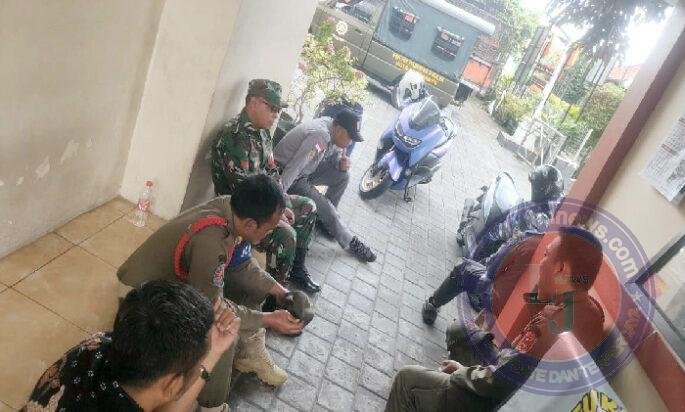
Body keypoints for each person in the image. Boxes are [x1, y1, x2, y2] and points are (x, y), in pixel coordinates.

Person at [117, 175, 309, 411]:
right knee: (222, 330)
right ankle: (212, 406)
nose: (269, 235)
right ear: (251, 224)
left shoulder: (231, 208)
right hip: (141, 299)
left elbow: (241, 264)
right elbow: (212, 308)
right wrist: (268, 319)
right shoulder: (213, 240)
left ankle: (250, 351)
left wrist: (280, 292)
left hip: (166, 286)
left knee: (247, 292)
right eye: (269, 229)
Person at [386, 226, 607, 411]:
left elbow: (500, 382)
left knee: (407, 379)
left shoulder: (552, 324)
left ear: (561, 269)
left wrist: (461, 372)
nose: (541, 262)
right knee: (461, 332)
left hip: (499, 401)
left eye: (546, 256)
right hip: (518, 391)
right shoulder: (591, 312)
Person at [23, 280, 240, 412]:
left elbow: (165, 392)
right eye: (199, 368)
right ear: (172, 385)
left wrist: (213, 351)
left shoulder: (96, 345)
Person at [211, 78, 320, 294]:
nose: (276, 114)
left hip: (265, 202)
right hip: (241, 213)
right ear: (253, 102)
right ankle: (274, 297)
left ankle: (295, 270)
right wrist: (276, 213)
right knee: (286, 236)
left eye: (278, 109)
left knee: (308, 207)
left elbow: (272, 172)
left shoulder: (262, 133)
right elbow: (244, 195)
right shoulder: (233, 137)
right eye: (272, 108)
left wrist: (282, 203)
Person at [274, 109, 377, 262]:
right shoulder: (320, 135)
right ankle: (349, 240)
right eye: (350, 137)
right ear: (339, 129)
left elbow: (330, 157)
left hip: (306, 170)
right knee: (326, 207)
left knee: (343, 177)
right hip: (288, 174)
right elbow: (295, 167)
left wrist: (340, 163)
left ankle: (326, 222)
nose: (350, 142)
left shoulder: (332, 130)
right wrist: (278, 195)